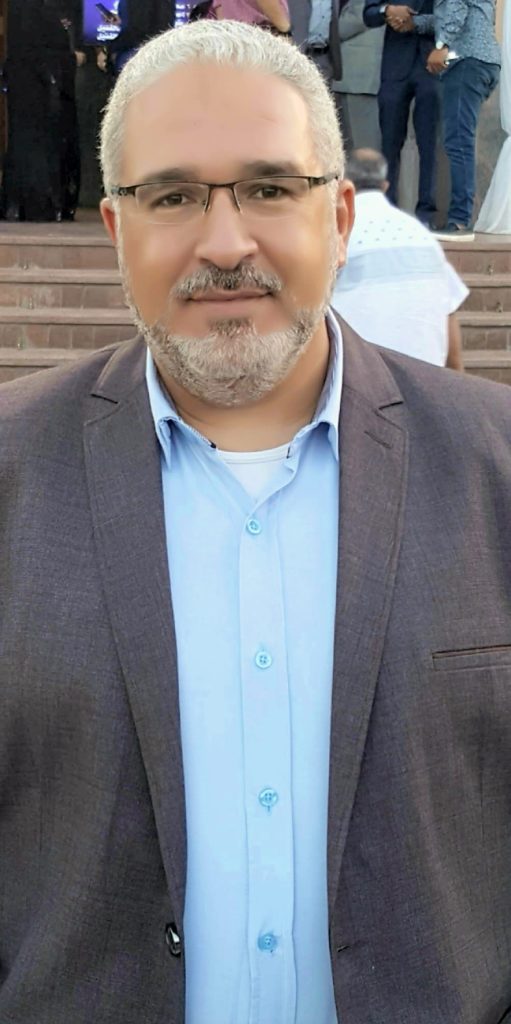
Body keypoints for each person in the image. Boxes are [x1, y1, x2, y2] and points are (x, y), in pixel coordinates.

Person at [1, 19, 511, 1024]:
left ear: (339, 217)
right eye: (172, 196)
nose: (225, 243)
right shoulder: (12, 473)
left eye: (271, 188)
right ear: (116, 229)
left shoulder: (494, 467)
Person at [332, 148, 467, 367]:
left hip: (361, 376)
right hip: (426, 377)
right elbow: (450, 316)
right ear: (385, 185)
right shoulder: (424, 238)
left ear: (342, 185)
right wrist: (454, 382)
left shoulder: (338, 236)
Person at [405, 0, 501, 240]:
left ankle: (459, 221)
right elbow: (449, 14)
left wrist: (441, 45)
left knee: (459, 141)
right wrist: (415, 23)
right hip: (482, 61)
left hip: (467, 60)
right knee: (461, 140)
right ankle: (461, 216)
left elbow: (456, 8)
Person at [0, 0, 84, 221]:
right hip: (42, 76)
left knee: (26, 139)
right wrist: (69, 56)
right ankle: (41, 204)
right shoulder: (43, 12)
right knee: (41, 140)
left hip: (26, 74)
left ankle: (21, 204)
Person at [363, 0, 439, 225]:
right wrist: (388, 11)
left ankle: (427, 215)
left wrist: (415, 22)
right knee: (389, 142)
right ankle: (386, 211)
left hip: (432, 63)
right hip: (395, 66)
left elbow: (454, 15)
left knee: (429, 144)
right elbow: (369, 15)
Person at [332, 0, 385, 150]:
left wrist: (319, 29)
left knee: (363, 146)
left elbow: (356, 19)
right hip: (354, 77)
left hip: (359, 77)